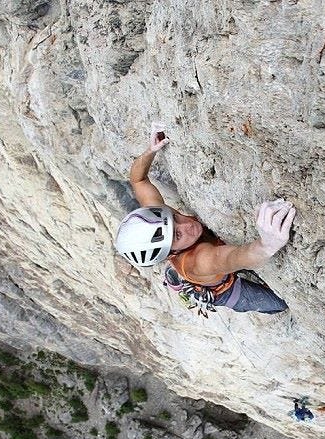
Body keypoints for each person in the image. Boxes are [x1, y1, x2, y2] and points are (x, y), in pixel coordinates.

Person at [114, 125, 297, 314]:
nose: (186, 225)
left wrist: (150, 150)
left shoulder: (160, 218)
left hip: (209, 260)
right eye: (177, 235)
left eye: (175, 217)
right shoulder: (198, 262)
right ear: (170, 254)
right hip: (222, 289)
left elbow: (138, 180)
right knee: (279, 305)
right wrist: (267, 245)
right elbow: (233, 258)